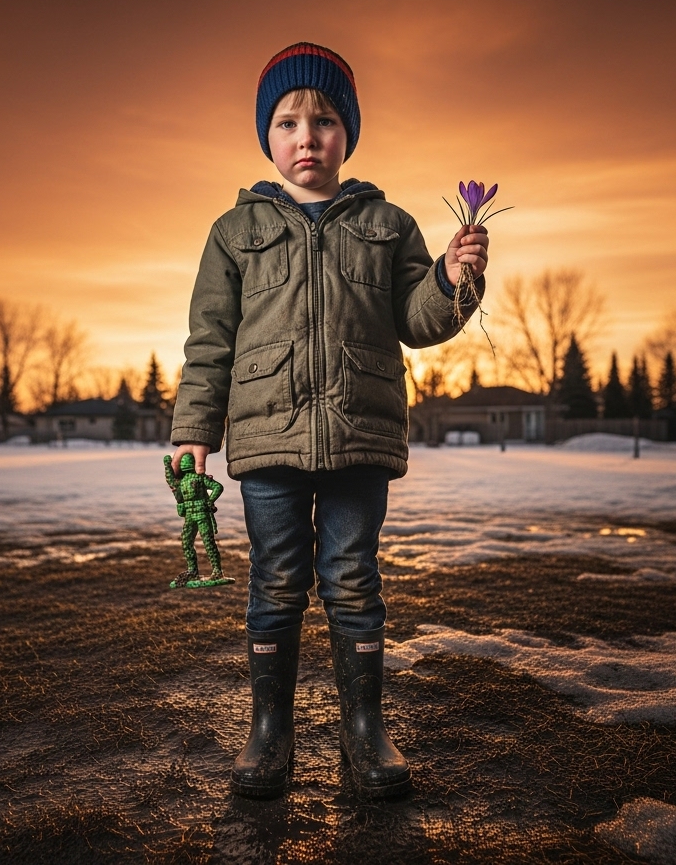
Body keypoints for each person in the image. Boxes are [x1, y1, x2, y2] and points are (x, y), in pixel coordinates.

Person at [169, 42, 489, 799]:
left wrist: (453, 278)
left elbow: (417, 320)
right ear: (266, 138)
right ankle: (269, 732)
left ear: (348, 133)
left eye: (323, 119)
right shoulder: (232, 232)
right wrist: (193, 431)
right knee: (277, 583)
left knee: (352, 580)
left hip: (359, 436)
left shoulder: (389, 223)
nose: (305, 135)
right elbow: (209, 340)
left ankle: (364, 730)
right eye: (286, 122)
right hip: (267, 438)